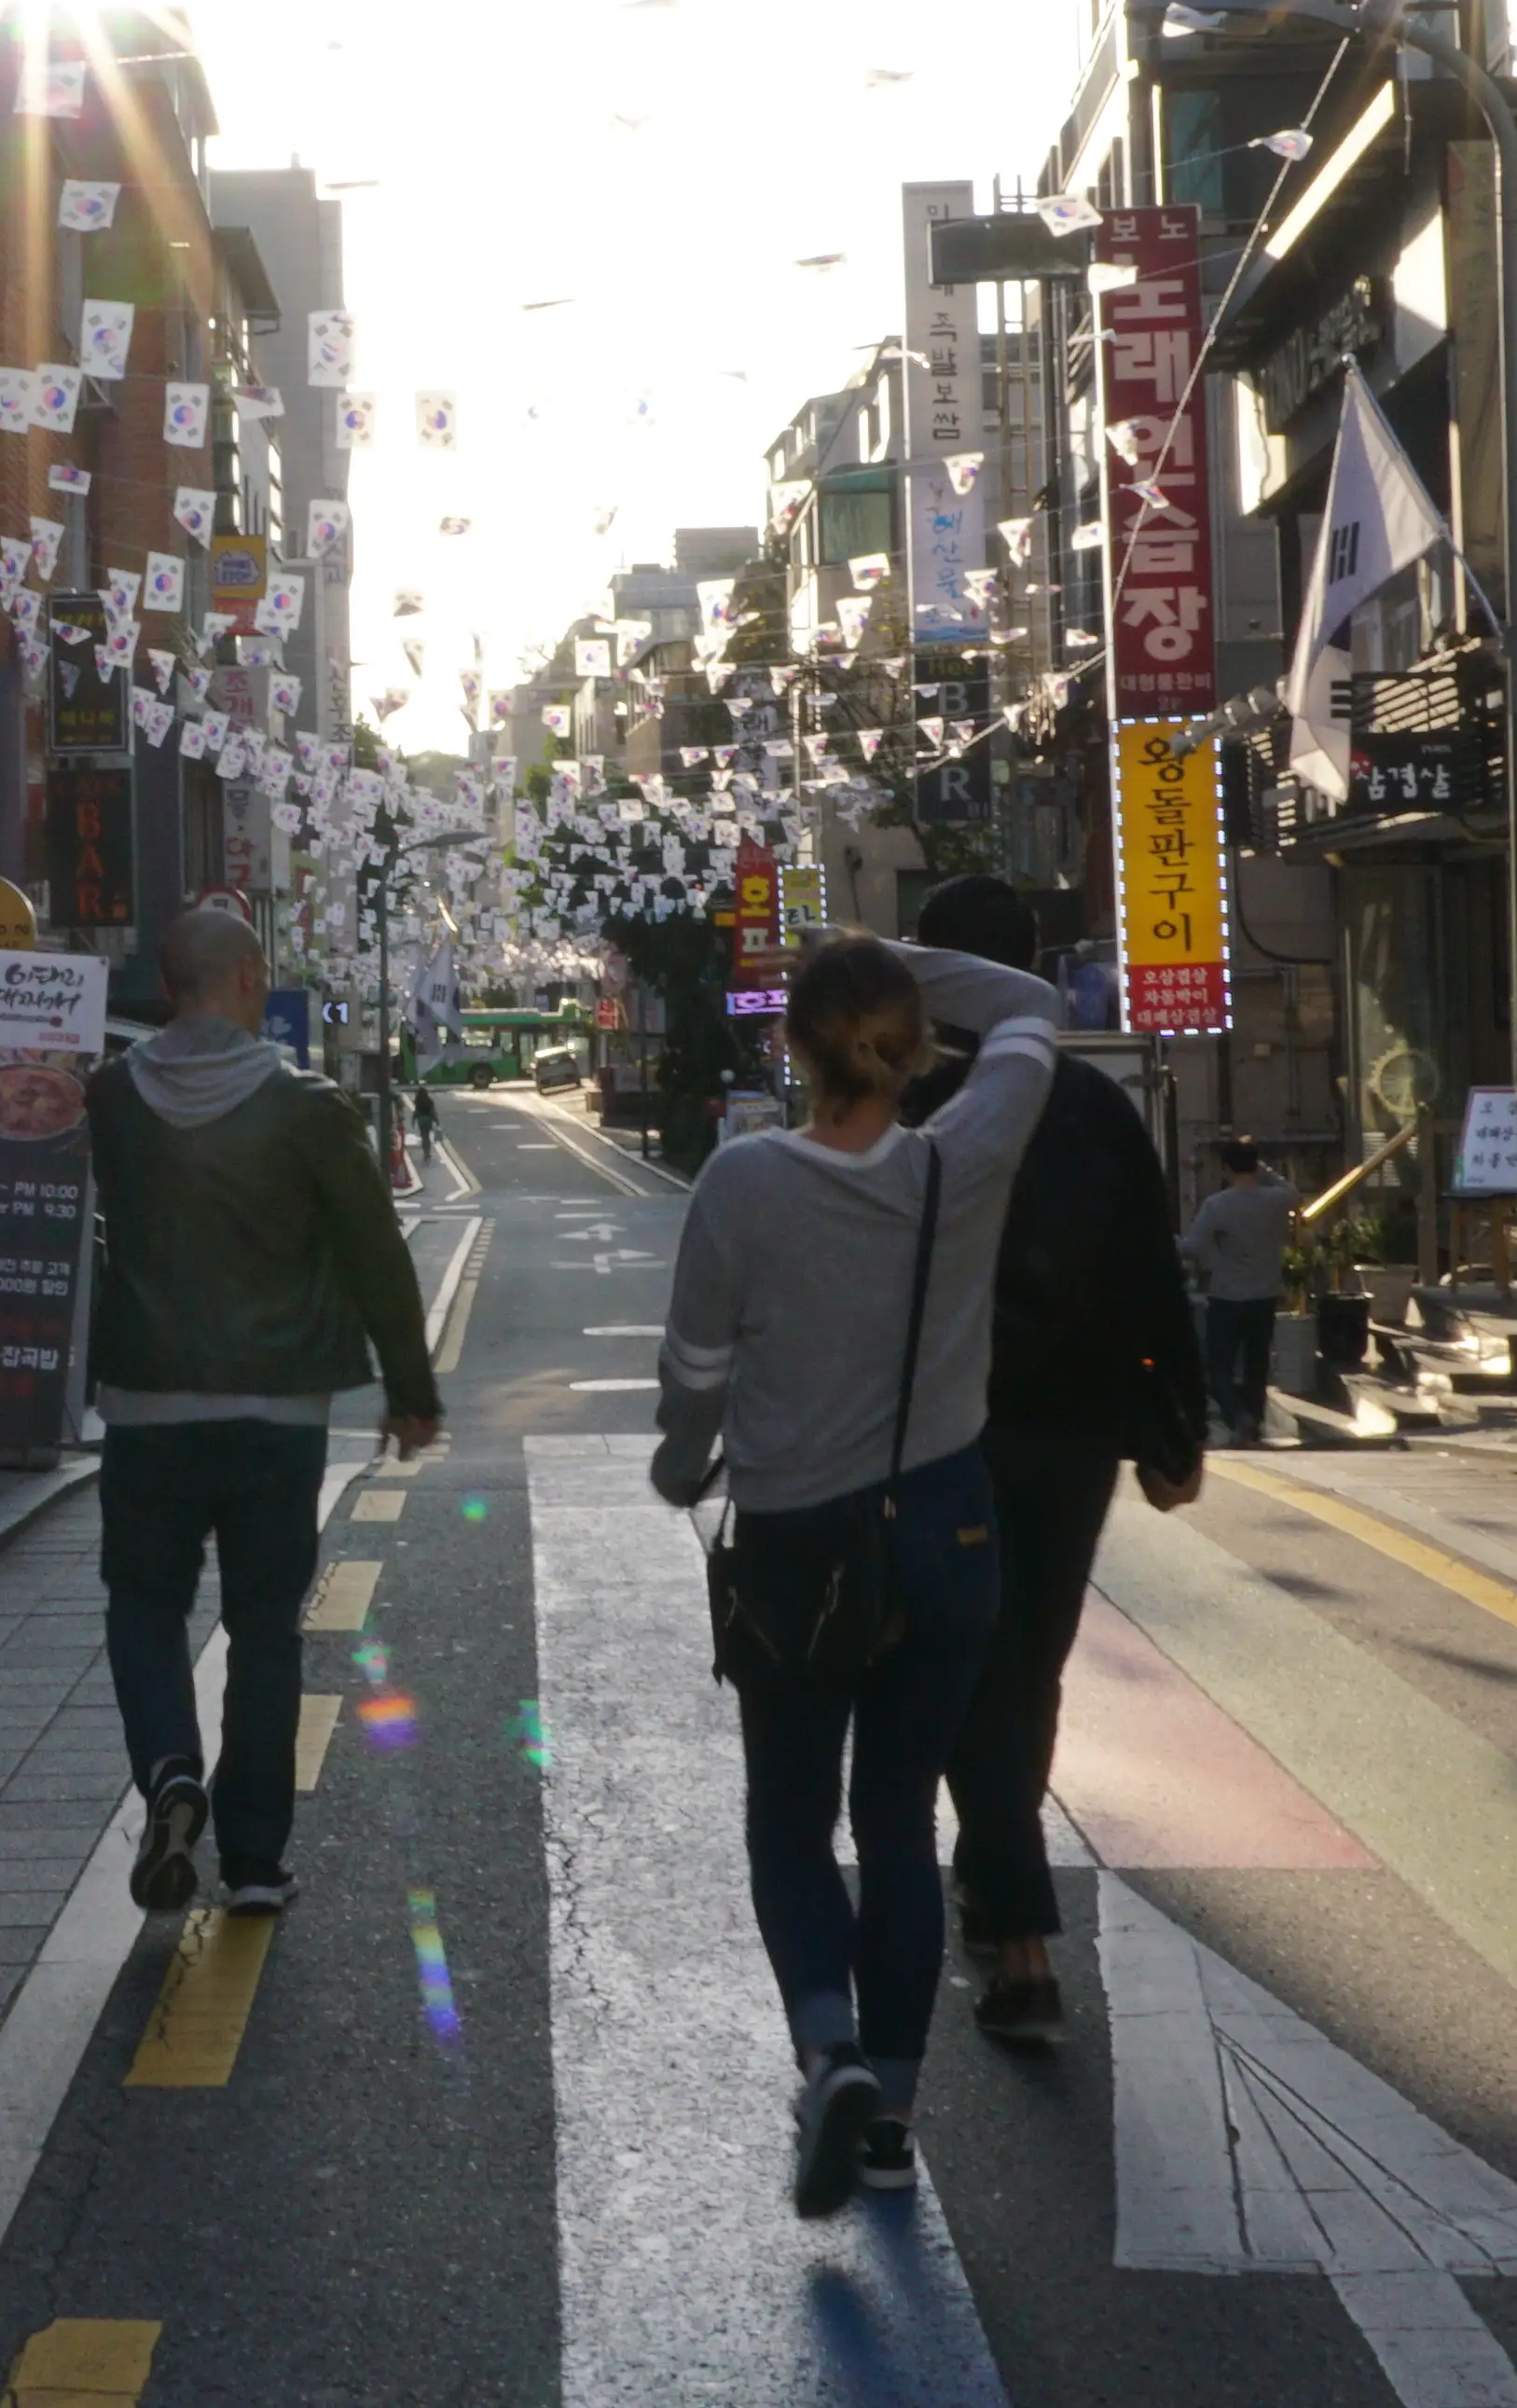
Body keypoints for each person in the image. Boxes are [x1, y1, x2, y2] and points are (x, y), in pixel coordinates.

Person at [647, 928, 1063, 2217]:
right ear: (915, 1048)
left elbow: (696, 1374)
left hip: (797, 1548)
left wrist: (683, 1463)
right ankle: (890, 2101)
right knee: (897, 1823)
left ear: (793, 1045)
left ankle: (824, 2045)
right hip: (948, 1530)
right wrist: (906, 959)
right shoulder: (965, 1160)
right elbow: (1036, 1006)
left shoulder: (743, 1182)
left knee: (789, 1818)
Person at [89, 902, 444, 1919]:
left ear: (167, 985)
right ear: (247, 979)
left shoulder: (110, 1097)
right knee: (263, 1630)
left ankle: (169, 1775)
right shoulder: (311, 1107)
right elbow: (377, 1253)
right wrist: (410, 1392)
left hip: (148, 1405)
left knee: (145, 1605)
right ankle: (252, 1860)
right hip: (278, 1414)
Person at [900, 875, 1205, 2049]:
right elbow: (1151, 1272)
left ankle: (1019, 1942)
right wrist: (1180, 1427)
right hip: (1078, 1440)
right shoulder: (1090, 1106)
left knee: (983, 1670)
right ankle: (1001, 1898)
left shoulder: (910, 1102)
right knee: (1029, 1667)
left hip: (947, 1433)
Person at [1179, 1139, 1301, 1445]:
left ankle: (1238, 1417)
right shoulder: (1276, 1199)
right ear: (1255, 1165)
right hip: (1265, 1294)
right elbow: (1294, 1194)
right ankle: (1254, 1424)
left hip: (1227, 1297)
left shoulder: (1217, 1205)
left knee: (1219, 1367)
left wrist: (1163, 1239)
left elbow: (1192, 1248)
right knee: (1256, 1365)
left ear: (1226, 1169)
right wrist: (1267, 1172)